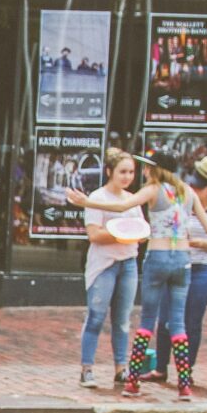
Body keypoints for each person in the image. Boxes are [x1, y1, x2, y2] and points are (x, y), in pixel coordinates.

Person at [126, 161, 198, 400]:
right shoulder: (187, 191)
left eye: (147, 167)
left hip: (157, 256)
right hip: (182, 258)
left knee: (147, 320)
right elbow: (206, 225)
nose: (145, 171)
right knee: (178, 325)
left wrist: (87, 202)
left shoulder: (153, 189)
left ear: (154, 169)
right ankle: (184, 385)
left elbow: (124, 204)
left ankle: (133, 381)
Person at [77, 150, 146, 388]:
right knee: (96, 316)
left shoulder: (132, 200)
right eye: (122, 172)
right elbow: (94, 234)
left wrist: (134, 235)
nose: (127, 177)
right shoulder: (97, 197)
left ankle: (121, 368)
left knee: (123, 319)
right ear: (109, 172)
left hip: (128, 262)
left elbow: (141, 231)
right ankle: (87, 368)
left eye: (131, 172)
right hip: (104, 264)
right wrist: (123, 234)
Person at [160, 156, 207, 383]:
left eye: (199, 187)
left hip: (202, 268)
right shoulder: (178, 204)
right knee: (165, 319)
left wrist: (203, 244)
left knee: (192, 321)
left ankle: (185, 370)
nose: (192, 189)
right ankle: (161, 367)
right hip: (176, 264)